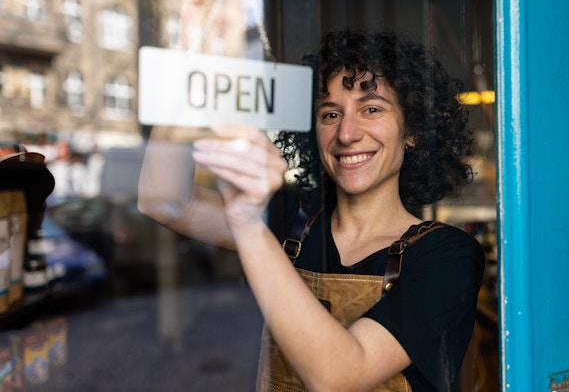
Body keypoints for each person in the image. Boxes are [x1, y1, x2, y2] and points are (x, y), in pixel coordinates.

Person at [138, 30, 484, 392]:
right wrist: (194, 61)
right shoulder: (289, 221)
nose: (347, 133)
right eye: (330, 113)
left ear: (411, 130)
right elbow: (161, 199)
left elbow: (339, 377)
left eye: (372, 109)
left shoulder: (446, 255)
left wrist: (249, 224)